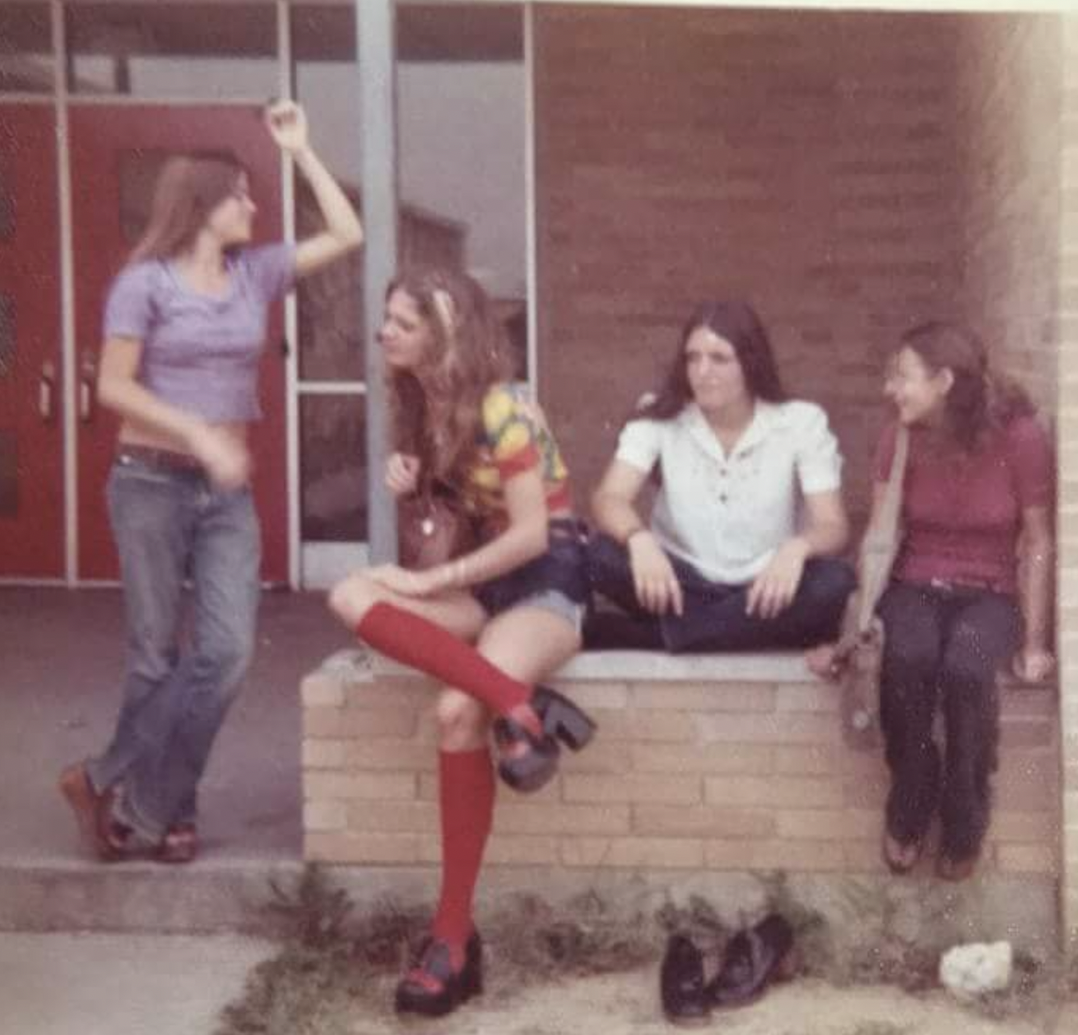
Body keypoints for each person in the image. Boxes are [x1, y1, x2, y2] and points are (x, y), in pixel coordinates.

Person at [58, 101, 363, 864]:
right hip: (150, 484)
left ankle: (112, 784)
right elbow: (114, 388)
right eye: (241, 194)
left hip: (224, 496)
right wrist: (195, 431)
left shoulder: (254, 273)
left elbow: (348, 234)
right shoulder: (145, 284)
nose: (254, 206)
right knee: (156, 657)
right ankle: (169, 812)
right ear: (203, 205)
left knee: (225, 651)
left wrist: (301, 151)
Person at [328, 267, 596, 1019]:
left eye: (402, 323)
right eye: (387, 319)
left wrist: (430, 580)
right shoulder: (418, 407)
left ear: (446, 333)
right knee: (348, 592)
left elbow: (532, 535)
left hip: (545, 579)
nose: (385, 334)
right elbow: (435, 535)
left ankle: (452, 941)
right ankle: (518, 701)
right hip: (478, 585)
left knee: (455, 713)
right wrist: (413, 488)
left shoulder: (506, 409)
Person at [866, 321, 1054, 880]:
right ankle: (911, 797)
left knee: (969, 669)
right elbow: (879, 533)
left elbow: (1039, 539)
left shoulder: (1020, 437)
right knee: (909, 657)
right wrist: (854, 624)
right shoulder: (898, 435)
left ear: (945, 380)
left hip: (990, 590)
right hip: (915, 582)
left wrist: (1037, 642)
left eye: (902, 376)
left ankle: (965, 816)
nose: (889, 389)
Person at [586, 299, 854, 653]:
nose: (702, 371)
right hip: (678, 581)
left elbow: (833, 525)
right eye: (693, 358)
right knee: (599, 554)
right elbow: (609, 498)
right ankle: (738, 632)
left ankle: (661, 636)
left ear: (750, 362)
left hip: (765, 585)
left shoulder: (800, 422)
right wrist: (639, 540)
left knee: (835, 583)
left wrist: (795, 550)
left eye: (719, 358)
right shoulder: (659, 416)